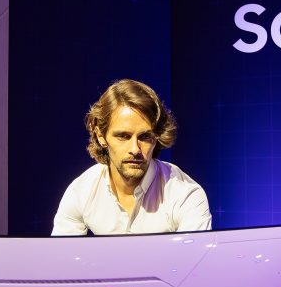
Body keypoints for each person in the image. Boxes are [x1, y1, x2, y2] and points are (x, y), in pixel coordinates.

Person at [52, 79, 211, 235]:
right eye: (123, 136)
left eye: (145, 137)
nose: (135, 149)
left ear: (156, 138)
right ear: (101, 136)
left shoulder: (185, 194)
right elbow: (61, 252)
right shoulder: (81, 191)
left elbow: (194, 253)